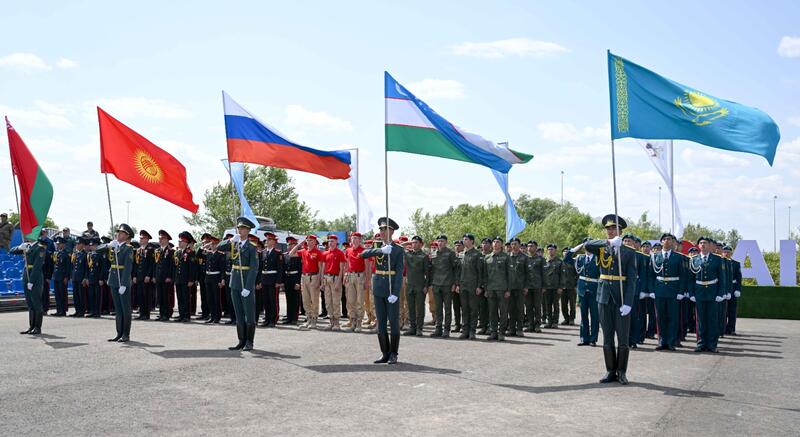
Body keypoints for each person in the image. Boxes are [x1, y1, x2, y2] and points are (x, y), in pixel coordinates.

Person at [584, 214, 637, 385]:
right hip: (604, 297)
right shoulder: (602, 247)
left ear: (620, 231)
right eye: (608, 229)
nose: (610, 231)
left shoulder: (629, 252)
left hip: (620, 298)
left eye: (613, 228)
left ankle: (621, 372)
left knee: (622, 338)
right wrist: (608, 243)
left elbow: (632, 280)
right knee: (607, 336)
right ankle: (610, 370)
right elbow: (587, 245)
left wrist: (628, 303)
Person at [360, 217, 404, 364]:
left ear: (392, 231)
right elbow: (362, 254)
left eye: (385, 229)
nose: (382, 232)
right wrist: (380, 250)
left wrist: (396, 293)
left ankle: (393, 353)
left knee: (394, 322)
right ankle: (384, 353)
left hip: (391, 289)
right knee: (381, 323)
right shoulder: (377, 247)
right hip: (378, 288)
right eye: (381, 229)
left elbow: (399, 274)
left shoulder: (398, 250)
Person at [217, 217, 260, 351]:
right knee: (238, 313)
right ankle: (241, 341)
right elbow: (219, 247)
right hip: (235, 282)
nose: (240, 230)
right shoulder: (234, 244)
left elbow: (254, 269)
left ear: (248, 231)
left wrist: (248, 287)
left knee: (249, 313)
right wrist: (230, 240)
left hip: (245, 282)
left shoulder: (252, 247)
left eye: (242, 228)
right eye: (239, 228)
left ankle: (249, 342)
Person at [96, 224, 135, 342]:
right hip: (113, 280)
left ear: (127, 236)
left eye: (122, 233)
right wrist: (108, 245)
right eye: (118, 232)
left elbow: (127, 268)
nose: (118, 234)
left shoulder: (128, 248)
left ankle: (126, 334)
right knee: (118, 309)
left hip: (122, 281)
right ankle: (119, 333)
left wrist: (123, 284)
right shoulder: (113, 246)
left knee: (125, 309)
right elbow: (97, 250)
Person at [688, 236, 726, 353]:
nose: (703, 245)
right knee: (700, 320)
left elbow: (722, 278)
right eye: (701, 243)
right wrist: (691, 293)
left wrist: (720, 293)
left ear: (710, 245)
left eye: (705, 243)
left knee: (712, 319)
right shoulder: (694, 259)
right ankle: (701, 343)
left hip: (712, 292)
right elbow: (691, 278)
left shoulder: (717, 259)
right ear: (698, 245)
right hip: (699, 291)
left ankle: (712, 344)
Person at [652, 233, 688, 351]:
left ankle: (671, 342)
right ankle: (662, 341)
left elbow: (683, 276)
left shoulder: (678, 257)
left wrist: (681, 291)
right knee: (660, 317)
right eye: (664, 239)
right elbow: (651, 275)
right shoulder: (655, 256)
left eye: (669, 239)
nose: (667, 241)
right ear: (661, 242)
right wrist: (651, 290)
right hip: (659, 290)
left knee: (673, 318)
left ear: (673, 242)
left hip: (673, 290)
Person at [11, 236, 48, 334]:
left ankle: (37, 327)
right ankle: (31, 326)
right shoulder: (27, 246)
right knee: (30, 303)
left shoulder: (40, 248)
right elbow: (11, 251)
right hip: (26, 276)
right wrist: (20, 247)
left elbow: (37, 266)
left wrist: (31, 281)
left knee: (36, 303)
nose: (27, 236)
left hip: (35, 278)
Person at [288, 234, 323, 331]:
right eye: (307, 240)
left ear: (315, 242)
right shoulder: (303, 251)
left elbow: (320, 268)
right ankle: (308, 318)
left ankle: (314, 320)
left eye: (311, 240)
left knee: (314, 299)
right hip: (304, 277)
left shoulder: (318, 252)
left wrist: (319, 281)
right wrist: (299, 244)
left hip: (314, 276)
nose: (309, 242)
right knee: (305, 300)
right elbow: (290, 254)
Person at [428, 234, 458, 338]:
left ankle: (446, 329)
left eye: (442, 241)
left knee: (447, 308)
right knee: (438, 308)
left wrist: (455, 283)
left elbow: (455, 269)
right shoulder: (434, 253)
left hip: (447, 284)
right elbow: (432, 270)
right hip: (436, 284)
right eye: (439, 241)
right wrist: (431, 283)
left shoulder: (450, 253)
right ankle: (438, 329)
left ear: (446, 242)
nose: (440, 243)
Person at [403, 235, 431, 336]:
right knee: (410, 307)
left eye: (416, 243)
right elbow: (398, 248)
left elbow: (428, 273)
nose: (413, 244)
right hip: (409, 285)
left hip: (420, 285)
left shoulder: (424, 256)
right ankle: (412, 328)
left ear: (421, 244)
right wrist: (406, 243)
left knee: (420, 308)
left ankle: (419, 328)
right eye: (412, 243)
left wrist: (426, 286)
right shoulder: (408, 254)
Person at [484, 237, 510, 341]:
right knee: (492, 311)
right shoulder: (487, 257)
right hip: (491, 288)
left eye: (498, 242)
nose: (495, 243)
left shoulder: (506, 257)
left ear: (501, 244)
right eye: (494, 242)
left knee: (503, 311)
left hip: (502, 289)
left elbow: (510, 274)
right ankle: (493, 332)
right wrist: (486, 288)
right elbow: (485, 275)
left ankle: (501, 332)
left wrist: (508, 289)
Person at [344, 232, 369, 332]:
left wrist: (367, 280)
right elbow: (347, 264)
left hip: (360, 276)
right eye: (352, 238)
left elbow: (367, 266)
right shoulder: (348, 250)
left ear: (359, 240)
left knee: (360, 300)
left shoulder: (364, 251)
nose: (353, 240)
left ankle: (359, 322)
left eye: (356, 238)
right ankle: (352, 321)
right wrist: (345, 275)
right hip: (350, 276)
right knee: (350, 300)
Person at [321, 234, 346, 330]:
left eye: (332, 241)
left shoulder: (340, 253)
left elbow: (341, 269)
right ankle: (331, 321)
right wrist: (322, 282)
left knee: (336, 302)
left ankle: (337, 323)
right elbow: (323, 268)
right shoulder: (325, 253)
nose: (330, 243)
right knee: (328, 302)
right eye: (329, 241)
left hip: (335, 278)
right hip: (326, 278)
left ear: (336, 242)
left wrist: (338, 282)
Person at [260, 232, 285, 327]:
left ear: (274, 242)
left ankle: (273, 320)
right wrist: (260, 280)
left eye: (269, 239)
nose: (267, 241)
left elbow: (280, 268)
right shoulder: (263, 252)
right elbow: (260, 267)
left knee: (273, 300)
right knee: (266, 300)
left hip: (273, 279)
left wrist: (278, 281)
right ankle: (267, 319)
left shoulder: (278, 253)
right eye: (267, 239)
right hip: (264, 279)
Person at [200, 235, 226, 324]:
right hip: (208, 278)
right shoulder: (208, 253)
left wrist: (222, 279)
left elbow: (222, 269)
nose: (213, 245)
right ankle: (212, 316)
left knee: (216, 298)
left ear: (218, 245)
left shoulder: (220, 255)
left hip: (216, 277)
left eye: (215, 244)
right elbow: (199, 254)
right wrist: (205, 245)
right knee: (209, 298)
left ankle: (217, 317)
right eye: (212, 244)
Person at [506, 238, 528, 337]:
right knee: (510, 309)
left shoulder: (524, 257)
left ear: (519, 245)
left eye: (515, 244)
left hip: (520, 287)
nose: (514, 246)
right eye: (512, 244)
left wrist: (526, 286)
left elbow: (528, 273)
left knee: (519, 309)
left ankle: (519, 329)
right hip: (509, 288)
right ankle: (511, 329)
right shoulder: (507, 257)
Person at [173, 232, 197, 323]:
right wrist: (175, 278)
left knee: (186, 298)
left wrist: (191, 279)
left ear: (186, 243)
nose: (179, 243)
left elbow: (192, 268)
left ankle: (187, 315)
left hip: (186, 279)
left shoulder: (190, 253)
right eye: (179, 241)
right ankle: (181, 314)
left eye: (181, 241)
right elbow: (175, 267)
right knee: (180, 298)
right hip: (178, 279)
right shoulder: (178, 252)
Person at [133, 230, 156, 320]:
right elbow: (136, 264)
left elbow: (152, 264)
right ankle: (141, 313)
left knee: (146, 295)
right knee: (140, 295)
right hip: (139, 276)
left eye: (142, 238)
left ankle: (146, 314)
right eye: (140, 238)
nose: (140, 240)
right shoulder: (138, 250)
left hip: (146, 277)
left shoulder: (150, 250)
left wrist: (149, 275)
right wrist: (134, 276)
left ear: (147, 239)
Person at [154, 230, 175, 321]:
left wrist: (170, 276)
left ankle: (167, 314)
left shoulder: (171, 251)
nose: (160, 240)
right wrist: (154, 276)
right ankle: (161, 313)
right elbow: (155, 265)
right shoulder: (157, 251)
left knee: (166, 296)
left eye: (162, 238)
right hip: (159, 277)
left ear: (167, 240)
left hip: (166, 278)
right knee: (160, 297)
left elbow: (172, 265)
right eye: (159, 238)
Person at [282, 236, 302, 325]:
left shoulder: (298, 255)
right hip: (287, 278)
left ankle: (294, 318)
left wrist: (298, 282)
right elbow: (283, 269)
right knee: (288, 299)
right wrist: (282, 282)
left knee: (295, 300)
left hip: (295, 278)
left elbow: (300, 270)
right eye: (288, 244)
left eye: (291, 244)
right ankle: (289, 317)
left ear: (295, 245)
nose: (289, 246)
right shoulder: (285, 255)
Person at [542, 244, 563, 329]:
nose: (550, 251)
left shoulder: (559, 262)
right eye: (549, 249)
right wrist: (543, 286)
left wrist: (561, 287)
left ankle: (555, 322)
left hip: (556, 287)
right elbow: (542, 275)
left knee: (556, 305)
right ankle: (549, 321)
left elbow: (562, 275)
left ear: (555, 251)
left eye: (552, 249)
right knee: (547, 305)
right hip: (547, 287)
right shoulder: (545, 261)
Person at [723, 245, 742, 335]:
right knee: (722, 310)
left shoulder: (736, 263)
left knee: (732, 310)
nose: (726, 254)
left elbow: (739, 278)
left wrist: (738, 289)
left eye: (728, 252)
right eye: (725, 252)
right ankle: (722, 328)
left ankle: (731, 328)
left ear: (731, 253)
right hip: (723, 288)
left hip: (733, 288)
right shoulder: (720, 262)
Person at [52, 236, 72, 316]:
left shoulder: (66, 254)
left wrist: (67, 277)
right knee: (57, 294)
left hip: (62, 277)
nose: (57, 245)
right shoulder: (57, 253)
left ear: (63, 244)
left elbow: (68, 267)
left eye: (59, 244)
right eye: (57, 244)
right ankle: (58, 310)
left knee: (62, 294)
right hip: (56, 276)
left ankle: (63, 310)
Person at [70, 236, 89, 317]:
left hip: (81, 278)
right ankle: (77, 310)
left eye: (79, 244)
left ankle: (82, 311)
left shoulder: (85, 255)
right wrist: (71, 276)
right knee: (75, 295)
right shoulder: (75, 254)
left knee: (81, 295)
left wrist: (85, 277)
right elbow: (73, 266)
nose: (77, 245)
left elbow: (87, 268)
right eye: (76, 244)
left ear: (83, 245)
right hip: (75, 277)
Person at [559, 247, 578, 325]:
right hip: (563, 287)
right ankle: (566, 319)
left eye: (567, 251)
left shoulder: (574, 262)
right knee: (563, 304)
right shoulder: (560, 262)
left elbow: (577, 274)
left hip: (571, 286)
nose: (566, 252)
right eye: (564, 251)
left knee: (572, 304)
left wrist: (575, 284)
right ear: (562, 253)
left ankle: (571, 319)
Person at [85, 238, 103, 318]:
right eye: (90, 245)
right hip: (91, 278)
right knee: (91, 295)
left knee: (97, 296)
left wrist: (101, 278)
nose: (91, 247)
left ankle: (97, 312)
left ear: (96, 246)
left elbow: (102, 268)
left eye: (92, 245)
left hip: (97, 278)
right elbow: (88, 268)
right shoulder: (89, 255)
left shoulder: (100, 255)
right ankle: (92, 311)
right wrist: (87, 278)